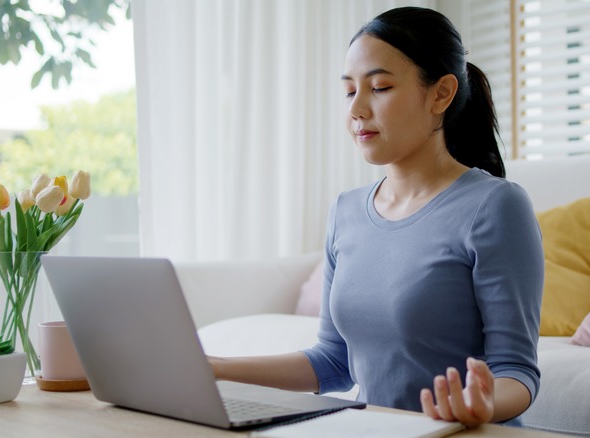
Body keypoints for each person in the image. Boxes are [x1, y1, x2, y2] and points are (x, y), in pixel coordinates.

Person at [209, 6, 544, 428]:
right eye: (349, 91)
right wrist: (214, 368)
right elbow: (332, 361)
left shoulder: (496, 206)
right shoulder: (345, 211)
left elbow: (517, 370)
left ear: (441, 94)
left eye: (380, 87)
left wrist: (483, 404)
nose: (357, 109)